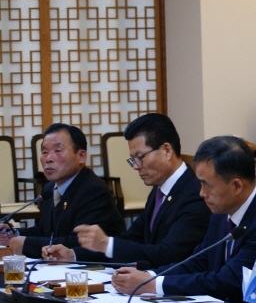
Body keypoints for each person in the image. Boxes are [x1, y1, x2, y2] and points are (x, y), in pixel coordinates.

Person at [111, 135, 256, 303]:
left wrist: (153, 286)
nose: (201, 193)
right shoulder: (222, 212)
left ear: (237, 186)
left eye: (207, 185)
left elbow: (229, 281)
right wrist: (149, 276)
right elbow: (198, 262)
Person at [43, 113, 211, 268]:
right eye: (133, 160)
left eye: (140, 157)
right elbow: (132, 239)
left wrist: (107, 244)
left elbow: (170, 254)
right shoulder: (159, 191)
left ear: (166, 151)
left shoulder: (195, 193)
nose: (136, 166)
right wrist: (73, 255)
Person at [0, 123, 126, 257]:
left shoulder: (93, 190)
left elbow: (78, 242)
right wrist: (14, 234)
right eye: (44, 152)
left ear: (81, 156)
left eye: (57, 151)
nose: (48, 159)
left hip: (98, 265)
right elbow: (45, 230)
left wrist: (26, 244)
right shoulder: (50, 187)